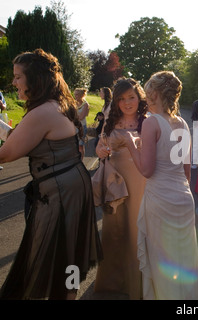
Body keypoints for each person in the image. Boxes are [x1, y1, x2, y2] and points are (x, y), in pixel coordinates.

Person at [0, 48, 103, 300]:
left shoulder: (42, 112)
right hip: (71, 184)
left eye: (18, 77)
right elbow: (20, 138)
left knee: (46, 253)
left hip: (60, 191)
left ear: (34, 79)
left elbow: (6, 154)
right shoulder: (56, 105)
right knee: (67, 252)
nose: (13, 82)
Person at [126, 71, 198, 300]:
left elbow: (147, 171)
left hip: (160, 199)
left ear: (155, 93)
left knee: (163, 263)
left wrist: (130, 144)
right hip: (183, 199)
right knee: (184, 261)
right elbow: (187, 172)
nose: (146, 96)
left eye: (149, 92)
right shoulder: (183, 124)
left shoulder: (151, 123)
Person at [94, 78, 147, 300]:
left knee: (136, 230)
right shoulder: (110, 120)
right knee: (114, 230)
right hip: (115, 182)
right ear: (116, 101)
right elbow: (99, 146)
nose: (127, 103)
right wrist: (100, 151)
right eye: (122, 98)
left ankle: (137, 286)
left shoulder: (147, 121)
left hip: (140, 181)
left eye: (131, 97)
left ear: (139, 98)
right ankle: (113, 283)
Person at [74, 88, 90, 159]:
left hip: (82, 127)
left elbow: (81, 117)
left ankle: (81, 161)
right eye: (74, 94)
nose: (75, 96)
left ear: (81, 95)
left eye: (77, 95)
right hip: (74, 126)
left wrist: (73, 116)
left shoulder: (85, 104)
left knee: (80, 146)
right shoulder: (74, 103)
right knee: (74, 145)